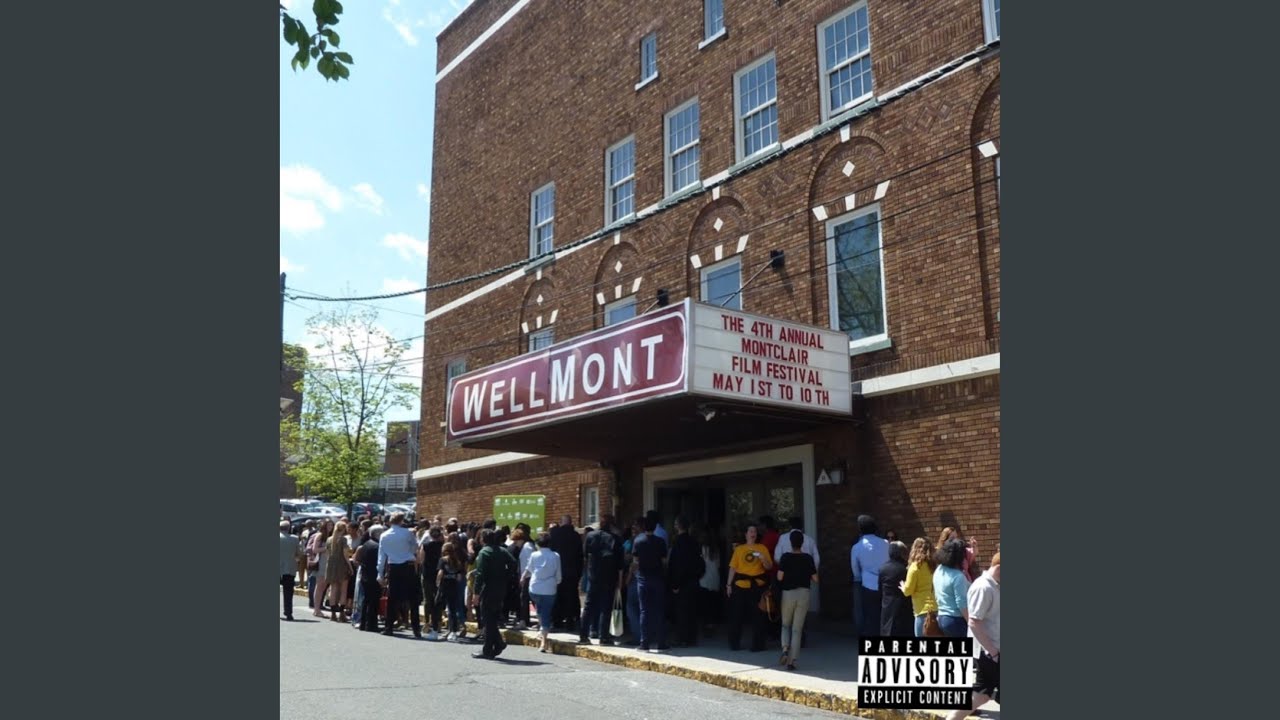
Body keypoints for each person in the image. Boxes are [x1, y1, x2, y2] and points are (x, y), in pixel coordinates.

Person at [947, 551, 1000, 720]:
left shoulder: (995, 586)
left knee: (982, 694)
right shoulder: (983, 587)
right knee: (981, 693)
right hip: (989, 651)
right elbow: (974, 622)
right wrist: (993, 652)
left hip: (992, 650)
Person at [725, 523, 773, 652]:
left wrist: (763, 559)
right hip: (741, 585)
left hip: (757, 586)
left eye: (755, 531)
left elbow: (769, 567)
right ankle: (734, 643)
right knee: (736, 615)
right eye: (751, 531)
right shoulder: (739, 549)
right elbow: (733, 568)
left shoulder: (762, 548)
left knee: (758, 616)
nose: (753, 533)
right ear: (746, 534)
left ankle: (758, 645)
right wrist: (729, 584)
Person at [777, 530, 818, 670]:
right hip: (803, 593)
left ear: (790, 542)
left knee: (785, 624)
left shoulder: (785, 557)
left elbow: (779, 577)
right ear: (802, 543)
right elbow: (815, 579)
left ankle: (784, 649)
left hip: (788, 593)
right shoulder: (808, 558)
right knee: (797, 629)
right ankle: (792, 661)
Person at [377, 512, 422, 638]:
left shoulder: (384, 535)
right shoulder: (407, 533)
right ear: (401, 521)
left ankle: (389, 627)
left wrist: (380, 573)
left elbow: (381, 556)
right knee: (413, 598)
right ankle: (416, 629)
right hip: (408, 566)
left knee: (392, 598)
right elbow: (415, 547)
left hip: (393, 567)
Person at [580, 515, 623, 645]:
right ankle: (603, 637)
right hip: (609, 576)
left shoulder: (590, 536)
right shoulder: (615, 539)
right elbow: (620, 563)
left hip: (593, 575)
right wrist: (620, 581)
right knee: (606, 607)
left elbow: (585, 555)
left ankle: (583, 636)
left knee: (588, 606)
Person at [472, 529, 515, 659]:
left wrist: (476, 593)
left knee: (487, 618)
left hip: (488, 588)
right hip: (500, 588)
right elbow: (513, 563)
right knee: (491, 618)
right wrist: (505, 577)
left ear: (483, 539)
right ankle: (497, 643)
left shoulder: (484, 552)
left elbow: (480, 575)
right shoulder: (502, 550)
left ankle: (488, 649)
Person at [632, 514, 669, 651]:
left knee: (644, 611)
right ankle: (661, 642)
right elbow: (664, 561)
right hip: (657, 578)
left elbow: (635, 561)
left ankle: (644, 643)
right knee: (659, 610)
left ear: (644, 527)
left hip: (643, 579)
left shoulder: (638, 541)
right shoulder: (660, 542)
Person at [850, 514, 889, 640]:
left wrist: (859, 577)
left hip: (866, 583)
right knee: (883, 613)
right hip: (884, 582)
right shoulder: (885, 543)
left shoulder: (857, 547)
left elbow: (855, 569)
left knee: (869, 614)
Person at [667, 516, 703, 647]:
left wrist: (675, 584)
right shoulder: (694, 542)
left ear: (678, 526)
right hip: (693, 580)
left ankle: (682, 638)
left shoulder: (678, 543)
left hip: (682, 583)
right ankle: (692, 638)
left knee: (681, 612)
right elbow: (700, 563)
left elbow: (677, 565)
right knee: (692, 611)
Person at [524, 532, 562, 653]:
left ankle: (542, 630)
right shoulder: (555, 556)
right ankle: (544, 640)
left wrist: (523, 577)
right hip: (549, 587)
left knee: (540, 610)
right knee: (546, 612)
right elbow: (558, 574)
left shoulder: (534, 555)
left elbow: (529, 569)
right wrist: (557, 581)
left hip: (535, 587)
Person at [547, 515, 583, 632]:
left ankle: (556, 621)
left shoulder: (554, 534)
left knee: (557, 596)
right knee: (571, 597)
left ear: (561, 522)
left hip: (557, 570)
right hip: (572, 572)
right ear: (571, 523)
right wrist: (579, 572)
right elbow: (580, 556)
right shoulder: (576, 536)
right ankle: (570, 621)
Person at [899, 537, 940, 637]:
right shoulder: (935, 565)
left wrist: (903, 587)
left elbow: (908, 591)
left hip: (922, 610)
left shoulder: (915, 567)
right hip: (937, 608)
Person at [932, 539, 971, 638]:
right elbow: (961, 604)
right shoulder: (958, 576)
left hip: (942, 617)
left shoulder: (939, 569)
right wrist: (971, 623)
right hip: (956, 620)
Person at [878, 540, 913, 637]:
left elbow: (880, 588)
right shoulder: (905, 569)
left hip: (887, 604)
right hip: (903, 605)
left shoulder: (883, 568)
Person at [323, 522, 354, 622]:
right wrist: (350, 567)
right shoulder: (343, 539)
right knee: (343, 590)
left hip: (331, 565)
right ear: (344, 529)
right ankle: (341, 613)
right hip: (342, 565)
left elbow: (327, 554)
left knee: (333, 589)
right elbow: (345, 555)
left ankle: (333, 614)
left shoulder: (329, 539)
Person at [437, 541, 467, 641]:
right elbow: (459, 577)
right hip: (453, 587)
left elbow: (440, 573)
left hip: (444, 586)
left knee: (438, 606)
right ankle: (453, 631)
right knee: (452, 609)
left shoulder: (442, 560)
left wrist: (437, 583)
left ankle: (436, 628)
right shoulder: (457, 561)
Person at [697, 526, 724, 637]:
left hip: (704, 579)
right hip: (715, 578)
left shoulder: (702, 549)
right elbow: (718, 565)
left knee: (705, 605)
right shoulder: (716, 550)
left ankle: (705, 626)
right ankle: (711, 625)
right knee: (713, 604)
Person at [355, 527, 383, 632]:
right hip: (373, 576)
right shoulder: (377, 546)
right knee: (373, 601)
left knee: (366, 600)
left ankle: (363, 623)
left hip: (365, 575)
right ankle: (371, 624)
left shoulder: (366, 544)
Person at [419, 526, 444, 640]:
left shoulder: (425, 546)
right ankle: (438, 622)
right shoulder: (443, 546)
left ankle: (427, 622)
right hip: (439, 574)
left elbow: (421, 560)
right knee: (438, 600)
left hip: (427, 574)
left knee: (428, 599)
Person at [509, 527, 534, 631]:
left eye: (516, 541)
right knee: (526, 598)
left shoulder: (527, 547)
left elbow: (530, 563)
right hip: (526, 576)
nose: (515, 544)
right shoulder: (527, 546)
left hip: (527, 576)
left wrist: (523, 576)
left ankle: (523, 621)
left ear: (521, 539)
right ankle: (524, 620)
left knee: (524, 598)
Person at [280, 521, 303, 621]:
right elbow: (299, 554)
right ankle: (288, 613)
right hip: (289, 568)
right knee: (288, 592)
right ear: (289, 528)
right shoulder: (295, 539)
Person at [309, 521, 332, 618]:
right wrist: (326, 548)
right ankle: (316, 609)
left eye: (331, 525)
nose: (330, 527)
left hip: (328, 562)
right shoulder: (320, 535)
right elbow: (314, 549)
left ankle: (318, 608)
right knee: (319, 586)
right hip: (321, 562)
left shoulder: (330, 536)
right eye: (328, 525)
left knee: (323, 587)